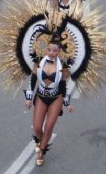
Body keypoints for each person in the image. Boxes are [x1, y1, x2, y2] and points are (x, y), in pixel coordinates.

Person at [24, 36, 74, 166]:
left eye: (55, 50)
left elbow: (63, 85)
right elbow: (33, 80)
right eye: (49, 49)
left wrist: (67, 104)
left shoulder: (62, 65)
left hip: (55, 98)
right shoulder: (39, 61)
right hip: (41, 96)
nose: (52, 52)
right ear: (46, 49)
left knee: (49, 126)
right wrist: (29, 98)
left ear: (59, 52)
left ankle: (41, 151)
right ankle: (42, 140)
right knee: (37, 127)